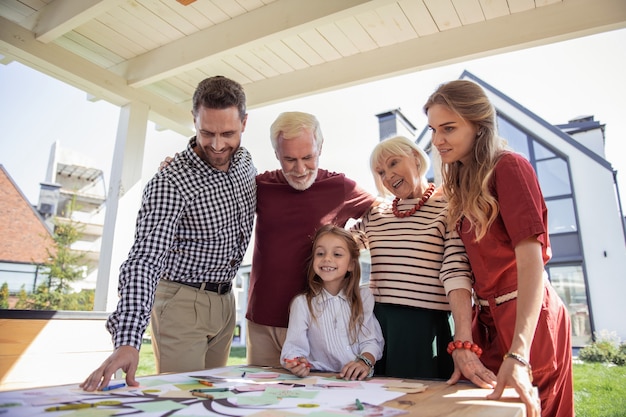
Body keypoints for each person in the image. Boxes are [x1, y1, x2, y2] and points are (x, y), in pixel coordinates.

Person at [80, 76, 257, 392]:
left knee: (213, 398)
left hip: (226, 302)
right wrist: (128, 340)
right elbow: (144, 261)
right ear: (194, 121)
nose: (217, 145)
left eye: (228, 133)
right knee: (182, 400)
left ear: (244, 123)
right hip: (181, 305)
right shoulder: (170, 184)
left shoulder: (245, 162)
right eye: (206, 133)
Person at [423, 79, 573, 417]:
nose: (437, 140)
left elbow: (532, 263)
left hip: (528, 320)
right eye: (433, 129)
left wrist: (518, 353)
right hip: (487, 320)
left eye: (448, 128)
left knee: (531, 410)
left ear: (479, 126)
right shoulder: (460, 184)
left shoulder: (509, 167)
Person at [350, 136, 494, 383]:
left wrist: (463, 336)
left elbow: (456, 270)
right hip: (379, 324)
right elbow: (340, 247)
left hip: (425, 325)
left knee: (421, 401)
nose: (388, 175)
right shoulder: (377, 212)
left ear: (416, 158)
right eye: (381, 172)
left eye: (394, 163)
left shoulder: (448, 206)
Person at [246, 112, 377, 367]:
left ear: (320, 147)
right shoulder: (261, 186)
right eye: (289, 159)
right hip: (262, 319)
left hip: (318, 325)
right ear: (276, 155)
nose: (300, 169)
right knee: (261, 399)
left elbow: (382, 214)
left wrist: (351, 243)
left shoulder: (340, 187)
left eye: (308, 157)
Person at [281, 224, 384, 380]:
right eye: (320, 253)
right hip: (318, 380)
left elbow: (372, 341)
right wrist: (298, 364)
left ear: (351, 264)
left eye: (337, 254)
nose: (327, 259)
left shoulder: (363, 297)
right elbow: (293, 349)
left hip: (357, 381)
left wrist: (364, 362)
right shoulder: (302, 304)